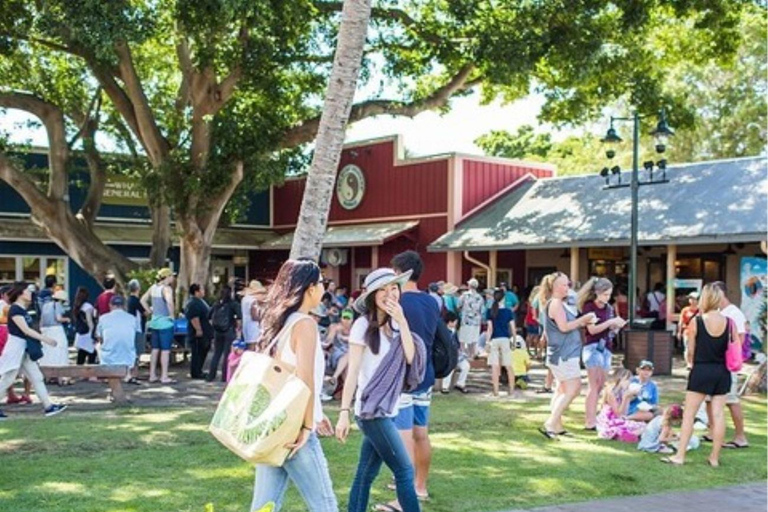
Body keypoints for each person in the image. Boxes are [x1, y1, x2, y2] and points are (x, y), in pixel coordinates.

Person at [336, 267, 426, 512]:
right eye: (383, 290)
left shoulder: (398, 326)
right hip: (371, 411)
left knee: (366, 474)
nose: (390, 294)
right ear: (372, 296)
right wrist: (343, 412)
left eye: (394, 288)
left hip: (390, 408)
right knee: (405, 470)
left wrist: (403, 322)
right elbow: (352, 372)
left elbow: (411, 359)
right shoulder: (362, 326)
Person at [250, 258, 336, 512]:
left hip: (273, 424)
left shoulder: (279, 324)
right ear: (310, 288)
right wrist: (309, 425)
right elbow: (304, 379)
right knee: (325, 505)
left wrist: (317, 415)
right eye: (322, 282)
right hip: (296, 428)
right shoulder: (304, 324)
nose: (324, 288)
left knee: (265, 506)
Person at [661, 283, 738, 467]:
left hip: (702, 369)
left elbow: (691, 351)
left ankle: (680, 456)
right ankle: (714, 458)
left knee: (689, 415)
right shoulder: (729, 323)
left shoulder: (697, 321)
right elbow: (734, 347)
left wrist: (691, 364)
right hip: (722, 371)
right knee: (718, 415)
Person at [390, 251, 440, 504]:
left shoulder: (398, 304)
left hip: (404, 376)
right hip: (427, 374)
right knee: (421, 434)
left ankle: (405, 497)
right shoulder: (432, 302)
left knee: (404, 436)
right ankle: (421, 486)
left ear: (400, 273)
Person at [538, 272, 596, 439]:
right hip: (564, 354)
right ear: (555, 287)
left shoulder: (557, 304)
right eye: (565, 285)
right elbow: (563, 327)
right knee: (573, 389)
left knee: (561, 389)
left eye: (568, 284)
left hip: (562, 353)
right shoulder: (555, 303)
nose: (568, 288)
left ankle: (556, 425)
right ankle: (550, 423)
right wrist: (583, 320)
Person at [0, 282, 67, 419]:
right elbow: (25, 330)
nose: (30, 293)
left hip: (24, 350)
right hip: (16, 348)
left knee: (36, 377)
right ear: (20, 293)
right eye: (28, 291)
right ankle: (48, 406)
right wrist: (46, 339)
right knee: (8, 379)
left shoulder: (22, 310)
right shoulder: (15, 310)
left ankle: (48, 406)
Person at [577, 277, 626, 430]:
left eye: (609, 294)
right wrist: (610, 323)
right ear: (597, 293)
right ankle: (589, 421)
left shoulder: (609, 309)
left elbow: (609, 329)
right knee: (594, 385)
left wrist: (616, 326)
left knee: (601, 386)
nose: (607, 298)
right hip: (592, 348)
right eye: (605, 294)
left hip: (606, 348)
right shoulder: (589, 307)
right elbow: (592, 330)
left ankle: (598, 417)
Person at [707, 281, 750, 449]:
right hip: (715, 362)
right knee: (709, 399)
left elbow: (740, 339)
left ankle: (740, 436)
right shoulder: (719, 312)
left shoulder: (734, 313)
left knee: (731, 399)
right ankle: (713, 431)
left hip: (728, 363)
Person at [141, 268, 176, 384]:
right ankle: (164, 375)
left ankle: (152, 375)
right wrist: (172, 315)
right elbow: (170, 302)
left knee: (155, 350)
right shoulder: (167, 289)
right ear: (167, 277)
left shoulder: (153, 288)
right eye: (171, 276)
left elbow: (143, 300)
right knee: (165, 350)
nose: (173, 278)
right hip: (165, 323)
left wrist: (150, 311)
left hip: (154, 322)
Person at [95, 295, 140, 384]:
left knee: (97, 345)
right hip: (128, 357)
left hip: (109, 357)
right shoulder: (132, 318)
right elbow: (137, 333)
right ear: (124, 305)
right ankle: (128, 374)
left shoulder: (103, 318)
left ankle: (107, 374)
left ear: (110, 305)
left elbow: (99, 336)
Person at [595, 368, 647, 442]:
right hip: (609, 421)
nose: (629, 383)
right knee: (640, 427)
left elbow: (624, 413)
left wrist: (628, 398)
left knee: (644, 426)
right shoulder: (611, 392)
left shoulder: (623, 391)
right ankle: (625, 435)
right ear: (619, 379)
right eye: (627, 380)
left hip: (619, 419)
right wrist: (625, 398)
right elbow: (618, 413)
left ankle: (626, 435)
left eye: (630, 380)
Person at [0, 285, 32, 405]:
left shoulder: (16, 307)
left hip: (10, 337)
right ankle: (23, 394)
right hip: (9, 337)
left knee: (10, 369)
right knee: (10, 369)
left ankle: (13, 394)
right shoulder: (9, 307)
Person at [207, 285, 241, 382]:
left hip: (217, 332)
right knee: (227, 354)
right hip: (229, 330)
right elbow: (239, 318)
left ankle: (211, 375)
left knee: (216, 354)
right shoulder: (233, 304)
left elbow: (208, 316)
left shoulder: (216, 304)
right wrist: (238, 329)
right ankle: (225, 376)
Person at [486, 289, 516, 398]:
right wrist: (514, 340)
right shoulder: (508, 312)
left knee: (495, 366)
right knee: (508, 366)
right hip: (505, 339)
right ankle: (511, 391)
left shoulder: (490, 311)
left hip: (494, 339)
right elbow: (513, 328)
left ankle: (496, 392)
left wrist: (487, 341)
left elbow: (490, 328)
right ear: (504, 298)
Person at [38, 290, 72, 379]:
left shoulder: (45, 305)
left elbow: (41, 320)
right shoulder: (57, 305)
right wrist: (67, 319)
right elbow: (58, 318)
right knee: (60, 350)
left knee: (47, 351)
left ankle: (47, 375)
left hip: (45, 330)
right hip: (56, 329)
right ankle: (61, 375)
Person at [184, 283, 212, 380]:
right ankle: (196, 372)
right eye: (202, 289)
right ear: (196, 292)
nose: (203, 291)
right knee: (197, 352)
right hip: (198, 332)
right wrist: (198, 329)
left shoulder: (201, 301)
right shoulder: (193, 303)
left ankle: (199, 370)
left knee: (203, 351)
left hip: (206, 330)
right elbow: (194, 318)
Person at [441, 311, 470, 394]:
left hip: (456, 356)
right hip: (447, 356)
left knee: (466, 366)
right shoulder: (443, 332)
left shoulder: (454, 332)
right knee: (450, 367)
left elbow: (457, 344)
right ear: (450, 322)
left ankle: (460, 383)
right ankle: (445, 387)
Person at [457, 278, 484, 359]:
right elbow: (482, 309)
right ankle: (472, 355)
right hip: (476, 320)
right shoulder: (480, 297)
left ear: (469, 286)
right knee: (473, 339)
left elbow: (458, 306)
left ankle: (464, 355)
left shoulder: (464, 295)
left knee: (463, 338)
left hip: (466, 320)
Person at [126, 279, 147, 379]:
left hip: (130, 328)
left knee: (132, 351)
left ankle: (132, 372)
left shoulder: (128, 300)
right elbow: (144, 312)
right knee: (136, 352)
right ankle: (134, 372)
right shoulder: (135, 300)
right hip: (137, 328)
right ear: (138, 288)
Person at [72, 287, 97, 365]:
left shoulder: (77, 306)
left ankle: (78, 373)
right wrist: (94, 333)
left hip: (80, 334)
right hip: (88, 334)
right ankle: (90, 373)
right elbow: (90, 321)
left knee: (81, 354)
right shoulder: (88, 307)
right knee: (92, 354)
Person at [677, 291, 700, 368]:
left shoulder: (701, 310)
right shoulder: (685, 310)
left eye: (694, 299)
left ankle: (696, 362)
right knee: (687, 347)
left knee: (697, 347)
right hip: (687, 331)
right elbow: (681, 321)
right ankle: (689, 363)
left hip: (698, 332)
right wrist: (679, 332)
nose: (692, 301)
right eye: (690, 299)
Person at [241, 280, 265, 345]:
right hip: (253, 327)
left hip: (245, 325)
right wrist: (262, 317)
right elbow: (254, 316)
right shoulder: (253, 300)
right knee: (253, 346)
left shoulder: (244, 299)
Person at [524, 286, 541, 359]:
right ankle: (536, 351)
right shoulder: (538, 300)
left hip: (529, 319)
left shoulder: (530, 300)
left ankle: (527, 350)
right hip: (535, 319)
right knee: (536, 337)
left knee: (529, 336)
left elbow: (528, 312)